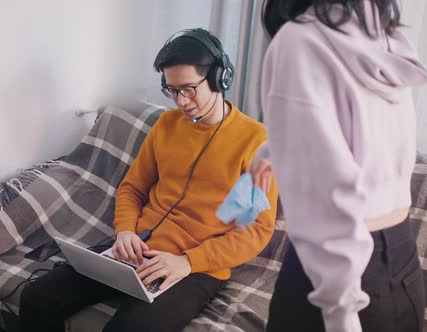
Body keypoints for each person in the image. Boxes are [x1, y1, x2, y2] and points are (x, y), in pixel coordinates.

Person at [19, 28, 278, 332]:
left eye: (189, 89)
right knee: (37, 297)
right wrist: (125, 232)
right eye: (172, 90)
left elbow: (255, 230)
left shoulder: (255, 141)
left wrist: (188, 261)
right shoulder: (167, 125)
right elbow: (132, 187)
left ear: (219, 78)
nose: (181, 101)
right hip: (138, 248)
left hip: (194, 268)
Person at [249, 1, 427, 331]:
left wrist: (341, 311)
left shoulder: (299, 40)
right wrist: (276, 147)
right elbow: (367, 136)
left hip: (340, 272)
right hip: (403, 266)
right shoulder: (382, 35)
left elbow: (332, 196)